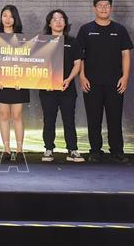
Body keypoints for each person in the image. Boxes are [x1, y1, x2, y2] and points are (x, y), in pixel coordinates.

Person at [77, 0, 133, 163]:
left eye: (106, 5)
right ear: (94, 8)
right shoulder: (85, 30)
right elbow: (80, 56)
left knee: (115, 118)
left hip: (115, 82)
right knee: (93, 118)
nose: (103, 8)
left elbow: (126, 54)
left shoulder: (120, 29)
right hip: (91, 82)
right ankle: (95, 150)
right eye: (100, 6)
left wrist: (125, 77)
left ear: (111, 8)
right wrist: (82, 76)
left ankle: (117, 151)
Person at [40, 9, 84, 163]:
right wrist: (45, 82)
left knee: (69, 120)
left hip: (67, 88)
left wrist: (69, 79)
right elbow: (36, 64)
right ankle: (48, 149)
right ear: (49, 23)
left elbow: (77, 64)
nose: (58, 22)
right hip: (47, 89)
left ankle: (73, 150)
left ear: (65, 22)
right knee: (49, 120)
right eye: (54, 19)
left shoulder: (73, 42)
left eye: (61, 19)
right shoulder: (42, 42)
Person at [0, 5, 29, 162]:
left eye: (11, 16)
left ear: (16, 19)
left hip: (18, 83)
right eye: (4, 15)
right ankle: (6, 150)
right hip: (0, 82)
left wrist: (22, 79)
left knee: (17, 115)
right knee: (4, 115)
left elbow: (28, 62)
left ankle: (19, 150)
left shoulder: (23, 39)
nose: (7, 19)